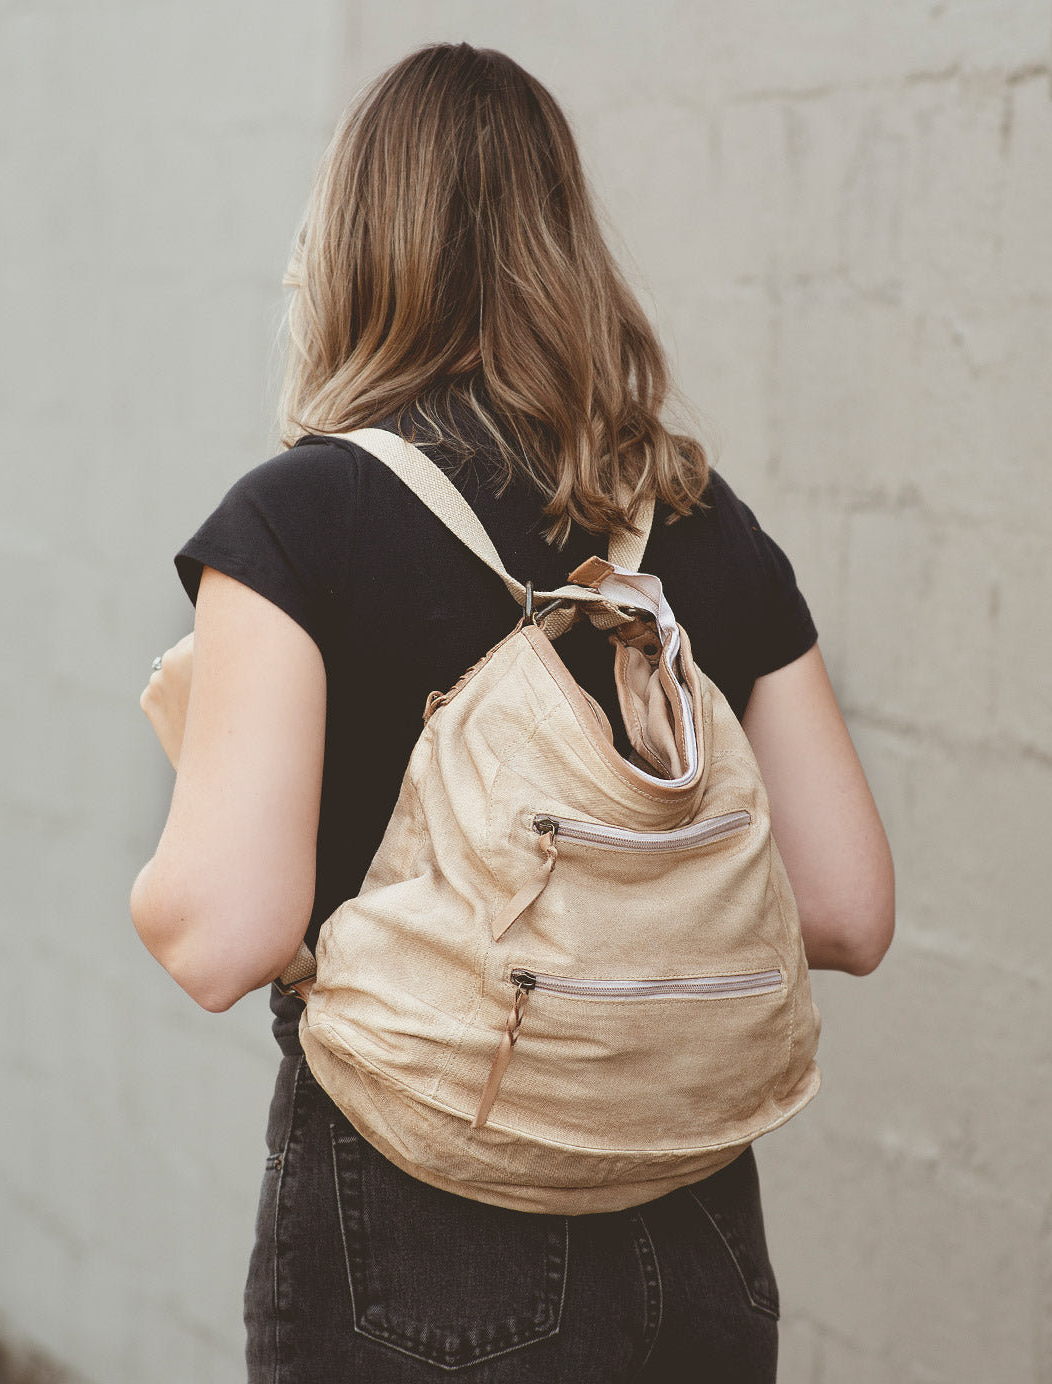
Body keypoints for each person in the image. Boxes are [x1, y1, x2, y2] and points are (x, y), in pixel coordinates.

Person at [130, 42, 894, 1384]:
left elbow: (218, 937)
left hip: (423, 1230)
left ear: (356, 242)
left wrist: (178, 820)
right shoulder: (705, 528)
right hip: (697, 1234)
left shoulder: (298, 520)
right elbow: (846, 910)